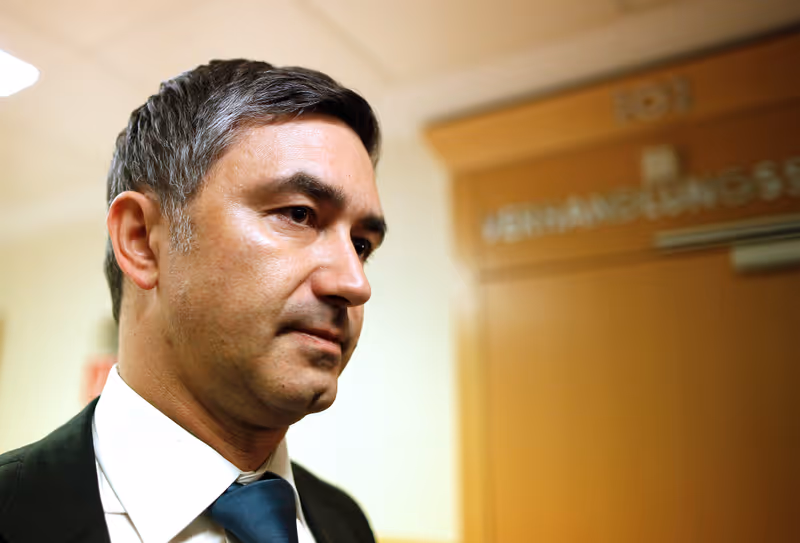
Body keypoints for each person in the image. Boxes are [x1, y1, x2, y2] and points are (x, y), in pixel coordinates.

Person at [0, 59, 386, 543]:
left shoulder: (346, 523)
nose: (355, 283)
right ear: (142, 241)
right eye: (298, 214)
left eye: (362, 245)